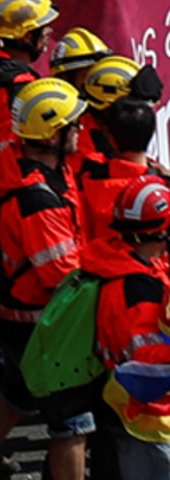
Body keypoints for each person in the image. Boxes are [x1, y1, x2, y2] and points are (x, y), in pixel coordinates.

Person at [0, 79, 92, 480]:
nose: (80, 129)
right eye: (73, 124)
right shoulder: (37, 198)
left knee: (15, 397)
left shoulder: (32, 170)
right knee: (73, 424)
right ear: (51, 135)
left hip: (21, 317)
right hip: (42, 322)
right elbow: (61, 275)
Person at [85, 173, 170, 478]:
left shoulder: (120, 263)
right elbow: (146, 361)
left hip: (126, 410)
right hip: (147, 420)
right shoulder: (137, 290)